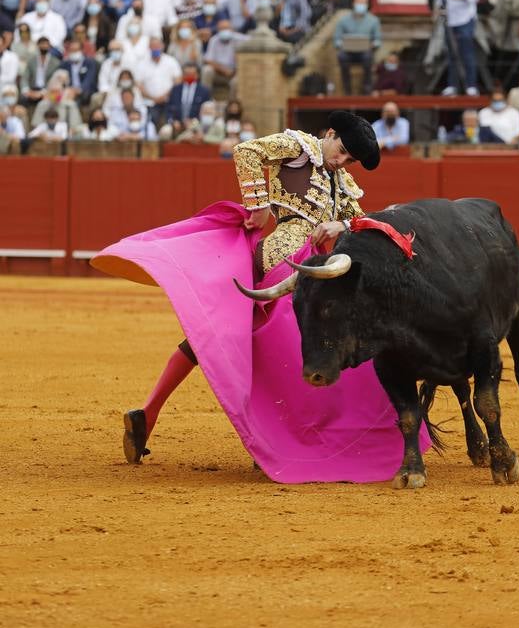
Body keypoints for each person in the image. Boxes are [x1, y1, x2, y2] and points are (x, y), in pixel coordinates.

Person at [92, 110, 430, 485]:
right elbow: (246, 151)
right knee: (291, 338)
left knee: (217, 338)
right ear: (330, 132)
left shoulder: (344, 182)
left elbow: (362, 222)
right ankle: (276, 437)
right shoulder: (300, 147)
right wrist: (258, 204)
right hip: (283, 256)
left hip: (314, 270)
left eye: (349, 160)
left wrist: (344, 224)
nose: (341, 161)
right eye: (342, 151)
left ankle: (148, 413)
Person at [438, 0, 480, 97]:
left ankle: (471, 85)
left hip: (465, 19)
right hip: (450, 19)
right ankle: (452, 85)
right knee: (451, 55)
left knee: (467, 53)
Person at [334, 0, 381, 95]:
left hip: (365, 52)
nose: (361, 4)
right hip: (348, 52)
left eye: (364, 2)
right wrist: (342, 44)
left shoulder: (374, 20)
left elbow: (378, 40)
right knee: (341, 57)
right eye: (359, 1)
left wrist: (372, 44)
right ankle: (347, 89)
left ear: (367, 4)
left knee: (368, 57)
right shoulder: (343, 20)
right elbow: (336, 40)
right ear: (353, 3)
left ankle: (367, 89)